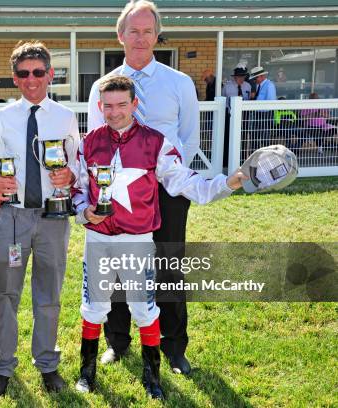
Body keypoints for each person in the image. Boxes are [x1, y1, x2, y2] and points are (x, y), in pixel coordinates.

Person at [72, 75, 245, 400]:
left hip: (138, 241)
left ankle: (152, 378)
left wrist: (227, 184)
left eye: (122, 104)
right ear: (99, 107)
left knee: (144, 309)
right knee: (93, 307)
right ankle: (86, 373)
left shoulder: (156, 142)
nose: (115, 112)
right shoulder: (89, 143)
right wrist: (85, 212)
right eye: (108, 106)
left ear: (135, 104)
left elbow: (187, 182)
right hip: (98, 240)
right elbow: (78, 189)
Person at [86, 0, 199, 374]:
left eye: (147, 31)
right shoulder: (102, 88)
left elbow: (189, 140)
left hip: (167, 191)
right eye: (133, 30)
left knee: (168, 265)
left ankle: (173, 345)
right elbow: (96, 140)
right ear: (120, 35)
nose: (140, 38)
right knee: (116, 265)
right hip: (117, 194)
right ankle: (117, 342)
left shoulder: (179, 83)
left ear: (156, 35)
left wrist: (159, 177)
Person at [0, 41, 80, 396]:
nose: (31, 79)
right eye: (23, 74)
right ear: (15, 77)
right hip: (13, 217)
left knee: (49, 294)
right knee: (7, 293)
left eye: (38, 72)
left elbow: (78, 165)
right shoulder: (2, 119)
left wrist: (69, 175)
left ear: (50, 74)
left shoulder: (65, 117)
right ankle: (3, 366)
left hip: (53, 217)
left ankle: (47, 364)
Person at [221, 65, 252, 166]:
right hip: (230, 115)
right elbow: (223, 99)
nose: (242, 79)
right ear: (235, 77)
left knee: (243, 138)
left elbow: (249, 100)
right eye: (239, 77)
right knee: (228, 137)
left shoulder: (247, 86)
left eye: (243, 76)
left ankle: (242, 160)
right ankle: (226, 161)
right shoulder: (227, 86)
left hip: (244, 116)